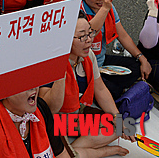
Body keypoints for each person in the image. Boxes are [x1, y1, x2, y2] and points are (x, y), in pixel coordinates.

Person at [39, 11, 133, 158]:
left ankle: (72, 152)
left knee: (121, 126)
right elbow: (50, 109)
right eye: (82, 36)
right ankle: (99, 151)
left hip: (77, 117)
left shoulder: (88, 56)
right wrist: (60, 72)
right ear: (64, 39)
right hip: (56, 123)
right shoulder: (49, 63)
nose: (89, 40)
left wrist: (117, 118)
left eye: (90, 33)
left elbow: (100, 89)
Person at [73, 0, 152, 98]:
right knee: (112, 91)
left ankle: (121, 88)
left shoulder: (108, 6)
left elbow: (122, 35)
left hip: (101, 60)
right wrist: (104, 8)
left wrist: (142, 58)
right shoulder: (78, 10)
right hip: (83, 66)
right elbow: (90, 34)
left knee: (136, 66)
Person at [0, 87, 69, 158]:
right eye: (23, 83)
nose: (33, 88)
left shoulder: (41, 108)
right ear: (4, 92)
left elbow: (61, 152)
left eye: (33, 78)